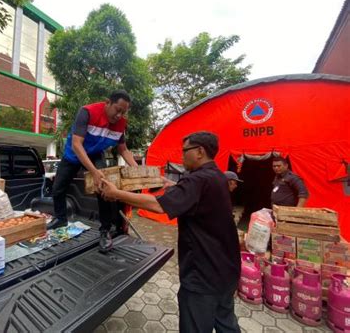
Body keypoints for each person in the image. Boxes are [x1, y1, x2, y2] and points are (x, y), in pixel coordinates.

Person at [101, 131, 241, 332]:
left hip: (203, 274)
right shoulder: (216, 176)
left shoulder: (197, 179)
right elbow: (196, 196)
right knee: (226, 323)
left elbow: (158, 205)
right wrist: (174, 185)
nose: (182, 155)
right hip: (226, 270)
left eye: (185, 151)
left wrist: (116, 194)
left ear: (200, 151)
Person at [48, 90, 138, 253]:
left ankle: (105, 230)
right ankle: (60, 219)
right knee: (58, 188)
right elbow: (77, 144)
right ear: (107, 102)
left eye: (123, 112)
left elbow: (123, 150)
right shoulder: (87, 112)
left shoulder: (121, 123)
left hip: (95, 153)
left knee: (104, 189)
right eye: (118, 109)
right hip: (74, 154)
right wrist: (94, 171)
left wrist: (136, 168)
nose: (119, 115)